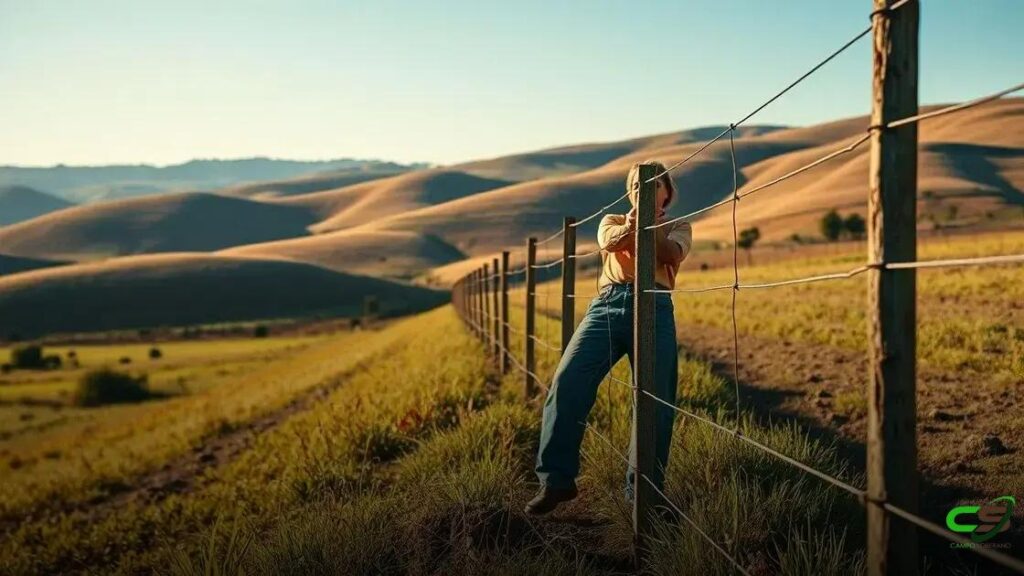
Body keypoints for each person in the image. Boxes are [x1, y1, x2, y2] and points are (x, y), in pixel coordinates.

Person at [525, 160, 692, 516]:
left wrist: (651, 226)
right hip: (608, 305)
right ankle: (555, 481)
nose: (641, 191)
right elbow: (610, 242)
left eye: (650, 186)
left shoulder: (680, 226)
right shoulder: (613, 221)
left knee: (655, 403)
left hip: (657, 307)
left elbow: (672, 254)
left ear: (667, 192)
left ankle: (642, 497)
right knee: (568, 380)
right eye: (635, 185)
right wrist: (634, 224)